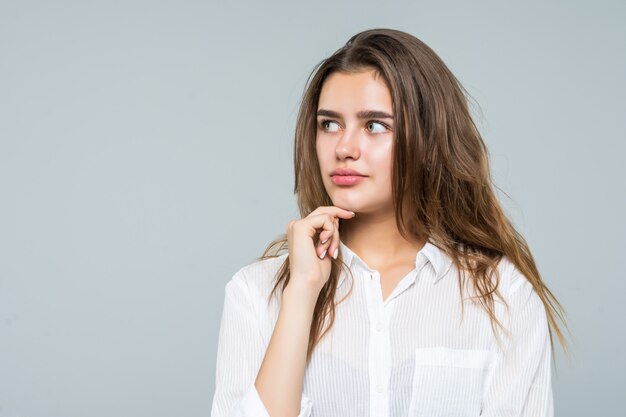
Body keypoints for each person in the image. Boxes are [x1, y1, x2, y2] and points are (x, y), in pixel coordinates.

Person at [210, 28, 569, 417]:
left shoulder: (505, 296)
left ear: (430, 143)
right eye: (329, 124)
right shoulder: (256, 294)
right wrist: (301, 293)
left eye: (375, 125)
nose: (344, 148)